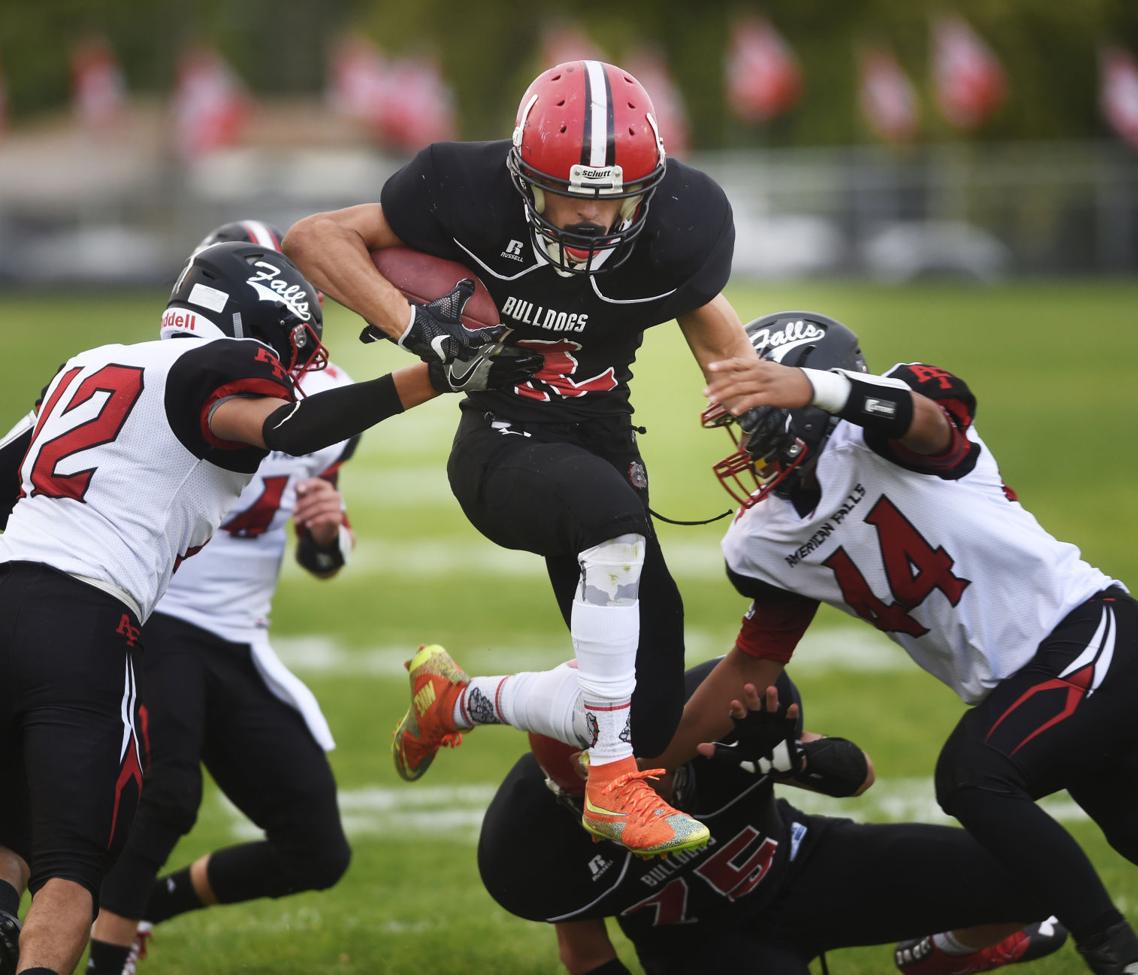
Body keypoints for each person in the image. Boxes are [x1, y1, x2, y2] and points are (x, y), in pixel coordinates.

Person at [0, 241, 534, 975]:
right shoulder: (210, 369)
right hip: (87, 617)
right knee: (74, 864)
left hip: (11, 590)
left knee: (14, 827)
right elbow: (290, 428)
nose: (294, 365)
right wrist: (433, 375)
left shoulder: (89, 362)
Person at [283, 59, 753, 855]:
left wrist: (760, 420)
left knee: (648, 712)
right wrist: (419, 331)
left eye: (613, 200)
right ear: (521, 178)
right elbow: (313, 238)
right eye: (571, 194)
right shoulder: (463, 190)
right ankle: (612, 789)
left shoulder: (681, 224)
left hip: (600, 444)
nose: (590, 219)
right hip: (500, 447)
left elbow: (712, 328)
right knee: (612, 526)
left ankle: (457, 701)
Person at [671, 309, 1138, 975]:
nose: (753, 438)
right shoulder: (767, 537)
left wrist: (813, 389)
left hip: (1096, 637)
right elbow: (754, 661)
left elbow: (925, 419)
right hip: (1041, 695)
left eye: (762, 405)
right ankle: (953, 952)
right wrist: (642, 763)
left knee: (974, 775)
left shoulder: (886, 425)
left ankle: (1118, 958)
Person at [82, 222, 357, 975]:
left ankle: (143, 906)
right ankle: (107, 954)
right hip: (154, 612)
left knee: (317, 846)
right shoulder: (163, 377)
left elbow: (321, 542)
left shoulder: (323, 404)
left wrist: (327, 536)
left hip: (237, 637)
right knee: (165, 792)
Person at [477, 659, 1066, 975]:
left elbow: (859, 774)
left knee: (1029, 874)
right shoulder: (535, 836)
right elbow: (586, 955)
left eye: (643, 779)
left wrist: (790, 754)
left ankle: (945, 956)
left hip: (802, 863)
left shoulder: (706, 718)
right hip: (699, 949)